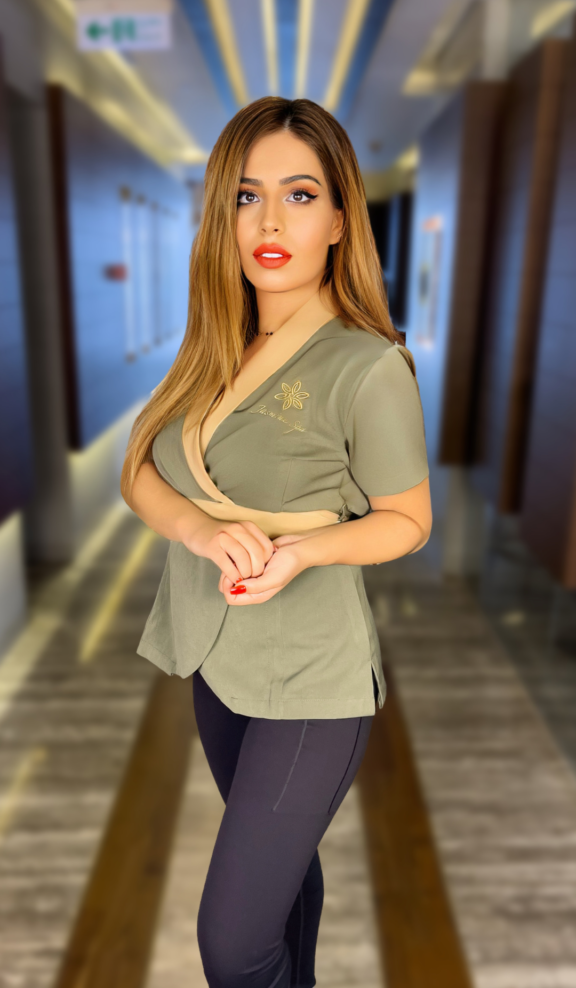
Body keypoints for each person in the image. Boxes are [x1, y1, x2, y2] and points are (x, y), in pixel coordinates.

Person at [121, 97, 431, 988]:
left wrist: (301, 553)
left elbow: (409, 520)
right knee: (279, 884)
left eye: (300, 195)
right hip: (219, 664)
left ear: (339, 219)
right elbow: (141, 470)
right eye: (246, 196)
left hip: (310, 684)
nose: (269, 222)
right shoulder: (213, 346)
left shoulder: (366, 365)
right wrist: (200, 528)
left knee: (231, 942)